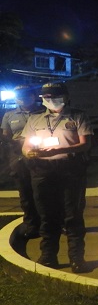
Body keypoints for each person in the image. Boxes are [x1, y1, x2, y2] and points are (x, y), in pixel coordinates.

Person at [21, 82, 93, 273]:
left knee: (73, 215)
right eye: (46, 97)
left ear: (66, 97)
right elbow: (26, 145)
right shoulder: (34, 119)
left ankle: (77, 258)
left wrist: (61, 149)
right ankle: (48, 256)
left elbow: (85, 144)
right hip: (42, 170)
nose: (50, 99)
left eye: (55, 96)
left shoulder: (78, 115)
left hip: (70, 169)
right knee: (47, 215)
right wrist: (29, 153)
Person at [1, 85, 45, 240]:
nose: (22, 98)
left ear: (34, 96)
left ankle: (52, 224)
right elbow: (6, 135)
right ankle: (32, 225)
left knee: (45, 192)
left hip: (41, 156)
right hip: (18, 158)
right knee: (26, 194)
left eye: (26, 95)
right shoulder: (9, 115)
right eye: (19, 96)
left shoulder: (44, 112)